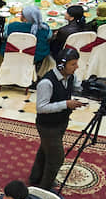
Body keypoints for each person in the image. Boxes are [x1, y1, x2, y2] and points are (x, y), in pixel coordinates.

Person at [31, 47, 85, 191]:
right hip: (48, 126)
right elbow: (41, 108)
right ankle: (44, 189)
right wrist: (66, 104)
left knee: (45, 150)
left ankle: (35, 177)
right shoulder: (46, 83)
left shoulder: (70, 77)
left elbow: (78, 88)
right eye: (73, 64)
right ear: (61, 66)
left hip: (61, 122)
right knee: (56, 158)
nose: (76, 67)